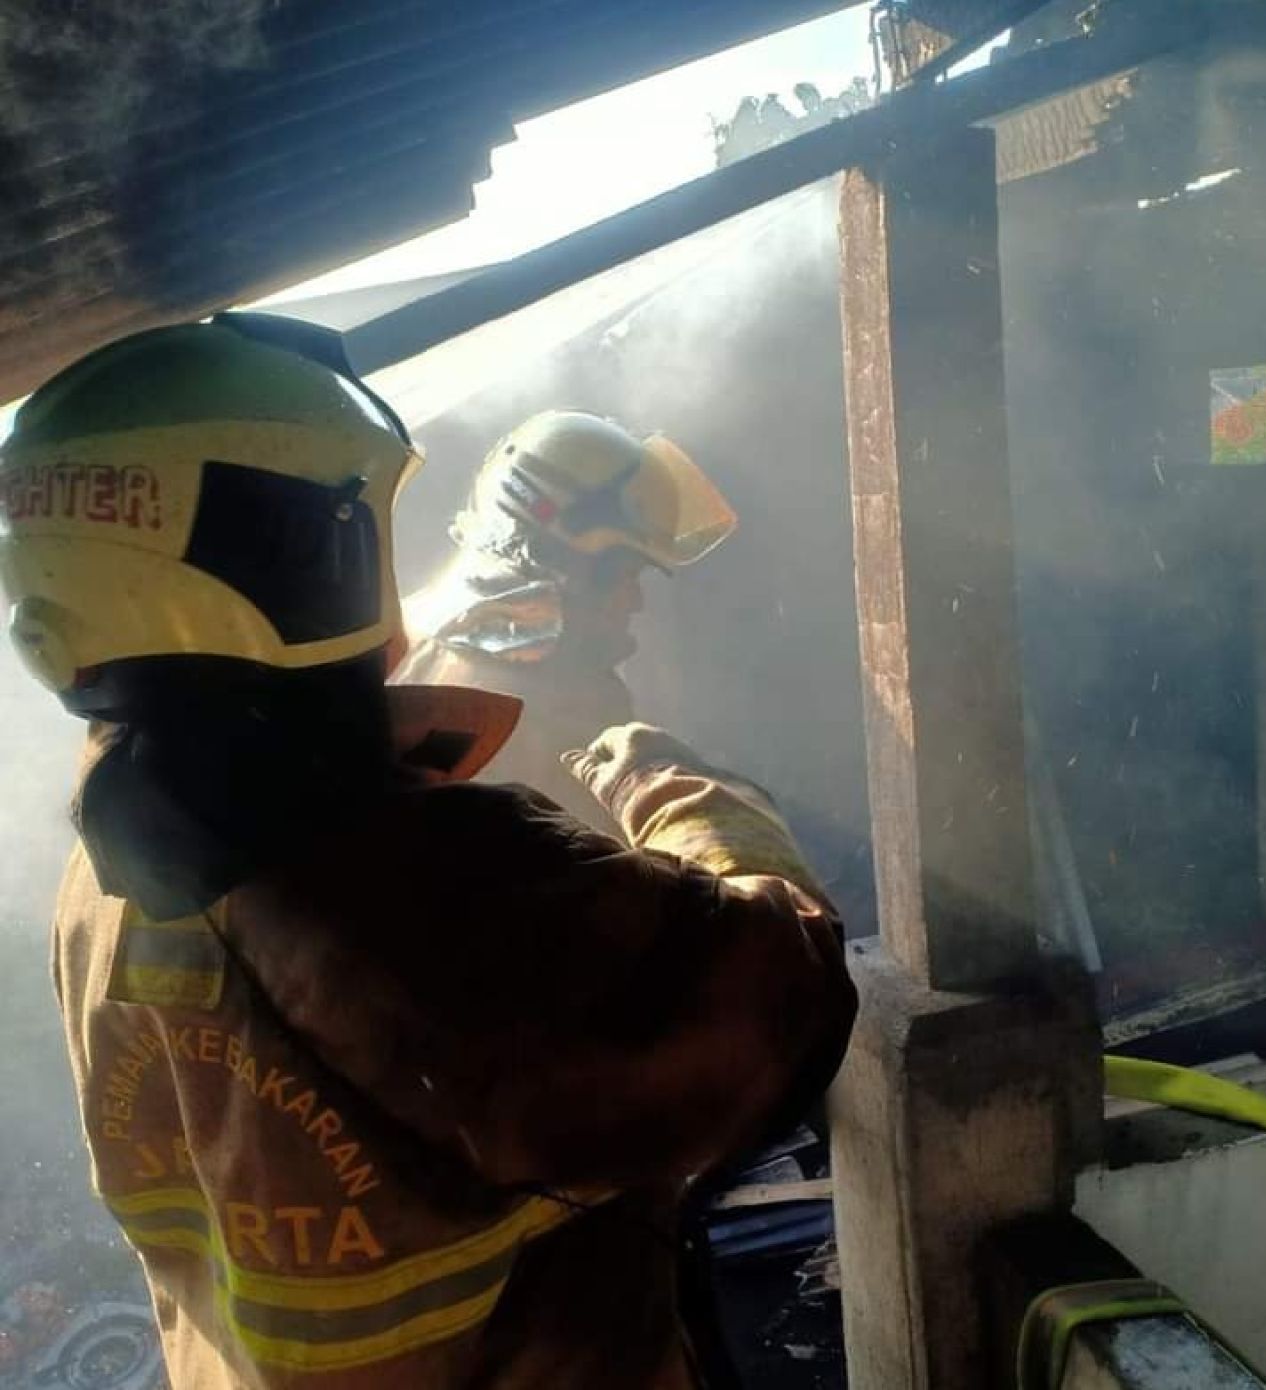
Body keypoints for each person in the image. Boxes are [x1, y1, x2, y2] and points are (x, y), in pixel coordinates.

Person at [0, 314, 857, 1390]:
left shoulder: (103, 874)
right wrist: (679, 790)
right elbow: (782, 994)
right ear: (299, 548)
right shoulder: (408, 880)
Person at [395, 409, 737, 831]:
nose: (635, 601)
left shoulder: (402, 631)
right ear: (557, 563)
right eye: (626, 575)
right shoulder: (553, 713)